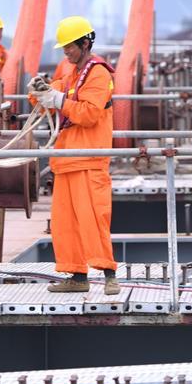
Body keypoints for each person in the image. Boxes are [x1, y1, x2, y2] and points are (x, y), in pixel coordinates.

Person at [28, 16, 120, 294]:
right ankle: (78, 277)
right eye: (64, 47)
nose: (66, 52)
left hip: (89, 160)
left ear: (85, 44)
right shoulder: (73, 75)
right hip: (67, 160)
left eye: (70, 47)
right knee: (66, 225)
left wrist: (58, 100)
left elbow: (89, 114)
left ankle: (110, 275)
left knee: (94, 219)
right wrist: (39, 90)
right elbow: (51, 95)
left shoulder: (98, 74)